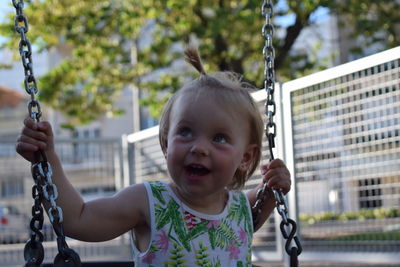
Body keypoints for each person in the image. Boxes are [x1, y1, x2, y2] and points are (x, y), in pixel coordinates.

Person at [16, 46, 291, 266]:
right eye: (185, 132)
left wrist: (274, 185)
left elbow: (249, 219)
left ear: (246, 157)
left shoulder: (241, 209)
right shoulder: (149, 203)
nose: (199, 147)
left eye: (219, 138)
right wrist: (47, 158)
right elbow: (78, 219)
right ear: (165, 143)